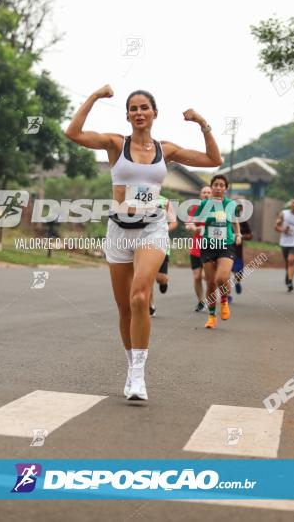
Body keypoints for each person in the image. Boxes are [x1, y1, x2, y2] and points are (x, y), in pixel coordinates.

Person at [65, 85, 220, 400]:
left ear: (154, 113)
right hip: (119, 231)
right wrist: (95, 97)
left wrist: (201, 122)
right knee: (124, 308)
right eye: (133, 108)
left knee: (139, 298)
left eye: (144, 108)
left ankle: (139, 376)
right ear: (127, 115)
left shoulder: (167, 150)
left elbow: (213, 159)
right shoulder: (114, 144)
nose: (138, 113)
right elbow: (73, 133)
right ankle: (131, 364)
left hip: (153, 228)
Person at [194, 175, 241, 328]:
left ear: (225, 188)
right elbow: (196, 220)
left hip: (226, 244)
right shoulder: (204, 203)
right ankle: (212, 316)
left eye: (222, 185)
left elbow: (234, 221)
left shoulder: (230, 204)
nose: (218, 187)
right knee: (211, 284)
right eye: (216, 185)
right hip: (208, 245)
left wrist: (238, 234)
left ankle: (224, 300)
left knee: (221, 278)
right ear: (212, 187)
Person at [149, 196, 178, 316]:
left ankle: (163, 282)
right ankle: (150, 305)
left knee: (160, 278)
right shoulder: (138, 200)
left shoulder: (165, 201)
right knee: (147, 277)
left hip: (161, 243)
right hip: (144, 243)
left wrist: (164, 228)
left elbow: (174, 222)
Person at [186, 186, 212, 311]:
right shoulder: (196, 209)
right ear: (200, 195)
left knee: (206, 276)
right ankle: (201, 301)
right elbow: (189, 223)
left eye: (208, 192)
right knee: (197, 276)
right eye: (204, 192)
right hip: (196, 246)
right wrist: (194, 227)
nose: (206, 194)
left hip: (211, 246)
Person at [275, 198, 294, 292]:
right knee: (287, 262)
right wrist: (283, 230)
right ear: (291, 205)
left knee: (291, 261)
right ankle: (288, 275)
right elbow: (276, 226)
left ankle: (290, 281)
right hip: (285, 241)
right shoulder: (284, 214)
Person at [230, 202, 253, 299]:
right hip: (225, 250)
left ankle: (237, 282)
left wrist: (240, 236)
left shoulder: (243, 222)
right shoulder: (225, 220)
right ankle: (227, 296)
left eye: (239, 210)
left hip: (238, 252)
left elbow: (250, 236)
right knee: (225, 274)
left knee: (238, 273)